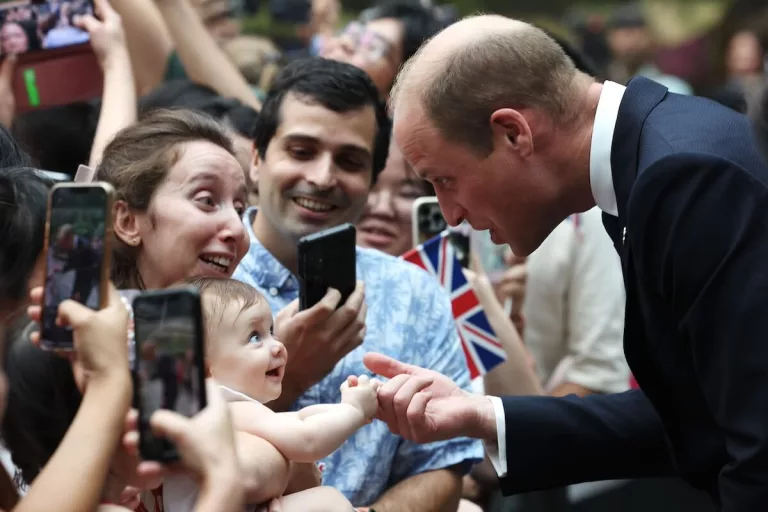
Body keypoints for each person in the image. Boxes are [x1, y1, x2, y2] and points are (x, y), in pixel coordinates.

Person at [369, 14, 768, 510]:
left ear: (513, 133)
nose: (449, 216)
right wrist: (483, 416)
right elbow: (694, 413)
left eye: (444, 179)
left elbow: (758, 450)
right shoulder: (653, 161)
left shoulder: (686, 178)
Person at [233, 57, 483, 510]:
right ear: (256, 158)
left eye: (349, 161)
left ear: (370, 179)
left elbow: (444, 466)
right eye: (302, 150)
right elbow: (169, 457)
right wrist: (287, 381)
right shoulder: (207, 276)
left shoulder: (415, 294)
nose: (323, 177)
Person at [163, 276, 375, 511]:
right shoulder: (223, 407)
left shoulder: (213, 409)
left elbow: (298, 419)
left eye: (271, 331)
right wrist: (355, 411)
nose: (278, 346)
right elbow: (307, 439)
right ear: (205, 370)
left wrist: (346, 405)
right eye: (255, 337)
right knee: (329, 501)